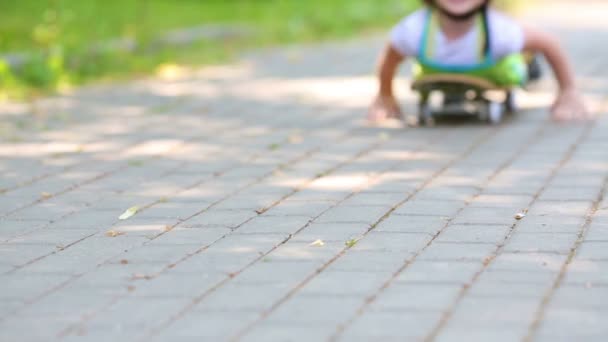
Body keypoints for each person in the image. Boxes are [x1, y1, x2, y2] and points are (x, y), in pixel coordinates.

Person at [369, 0, 589, 123]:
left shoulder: (499, 30)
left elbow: (549, 43)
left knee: (516, 65)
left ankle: (529, 64)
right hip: (438, 72)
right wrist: (385, 97)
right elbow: (389, 60)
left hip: (496, 69)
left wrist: (569, 92)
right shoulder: (414, 29)